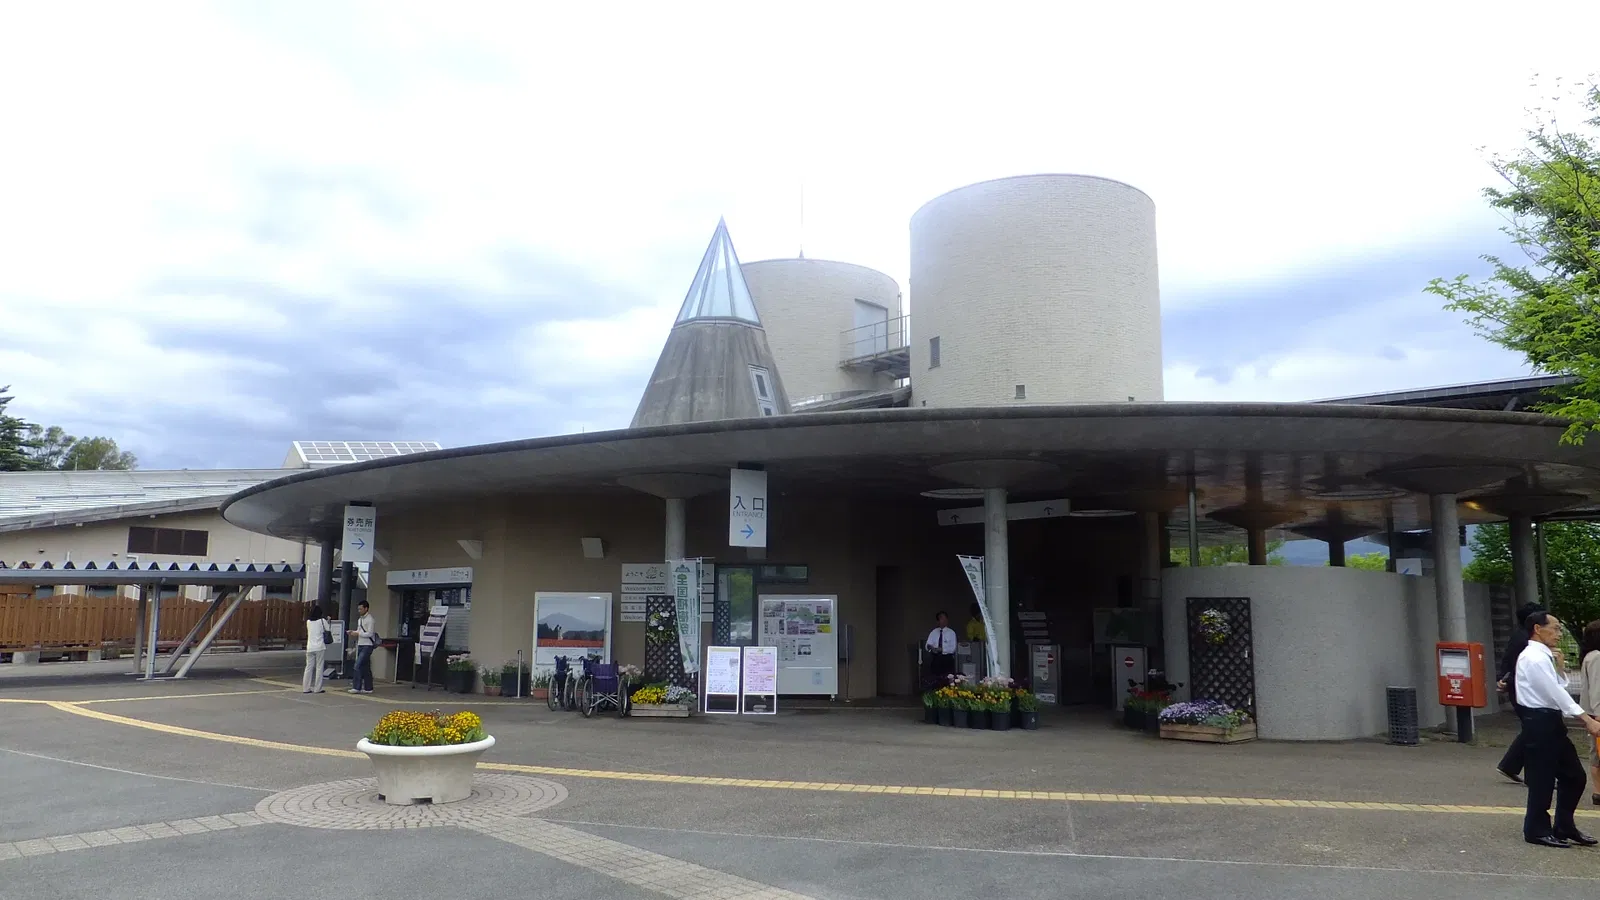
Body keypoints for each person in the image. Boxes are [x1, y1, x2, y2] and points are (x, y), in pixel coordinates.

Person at [1514, 611, 1600, 848]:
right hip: (1539, 721)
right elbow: (1557, 694)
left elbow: (1556, 686)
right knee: (1542, 778)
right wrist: (1587, 720)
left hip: (1550, 721)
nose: (1559, 634)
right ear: (1537, 629)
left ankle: (1563, 825)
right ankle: (1536, 829)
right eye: (1555, 628)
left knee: (1573, 776)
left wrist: (1560, 668)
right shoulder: (1533, 657)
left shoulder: (1544, 656)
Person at [1496, 601, 1545, 784]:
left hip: (1517, 687)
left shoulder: (1520, 636)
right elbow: (1515, 665)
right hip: (1521, 689)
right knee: (1535, 730)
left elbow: (1507, 661)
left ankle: (1510, 765)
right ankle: (1517, 767)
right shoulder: (1525, 640)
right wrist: (1505, 680)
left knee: (1532, 730)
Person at [1580, 619, 1600, 808]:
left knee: (1596, 754)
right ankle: (1598, 791)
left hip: (1593, 713)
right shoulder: (1597, 657)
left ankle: (1597, 792)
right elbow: (1597, 688)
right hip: (1597, 714)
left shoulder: (1590, 656)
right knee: (1597, 754)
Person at [347, 600, 378, 695]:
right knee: (365, 667)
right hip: (360, 644)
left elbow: (370, 633)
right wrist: (354, 632)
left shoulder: (370, 620)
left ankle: (357, 687)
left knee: (357, 665)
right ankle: (368, 688)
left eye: (361, 609)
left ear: (366, 608)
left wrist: (357, 633)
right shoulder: (360, 619)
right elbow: (359, 630)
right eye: (358, 609)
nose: (359, 610)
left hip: (367, 645)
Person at [925, 611, 957, 687]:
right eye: (942, 618)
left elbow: (953, 648)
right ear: (938, 621)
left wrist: (942, 649)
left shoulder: (951, 632)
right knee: (935, 680)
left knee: (947, 680)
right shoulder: (934, 632)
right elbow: (927, 645)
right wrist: (931, 647)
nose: (944, 620)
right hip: (936, 658)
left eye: (945, 618)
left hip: (947, 659)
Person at [303, 604, 329, 694]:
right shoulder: (322, 621)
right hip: (320, 647)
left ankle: (306, 688)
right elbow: (328, 629)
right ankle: (318, 688)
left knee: (308, 667)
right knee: (319, 667)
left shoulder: (308, 622)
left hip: (309, 647)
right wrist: (328, 620)